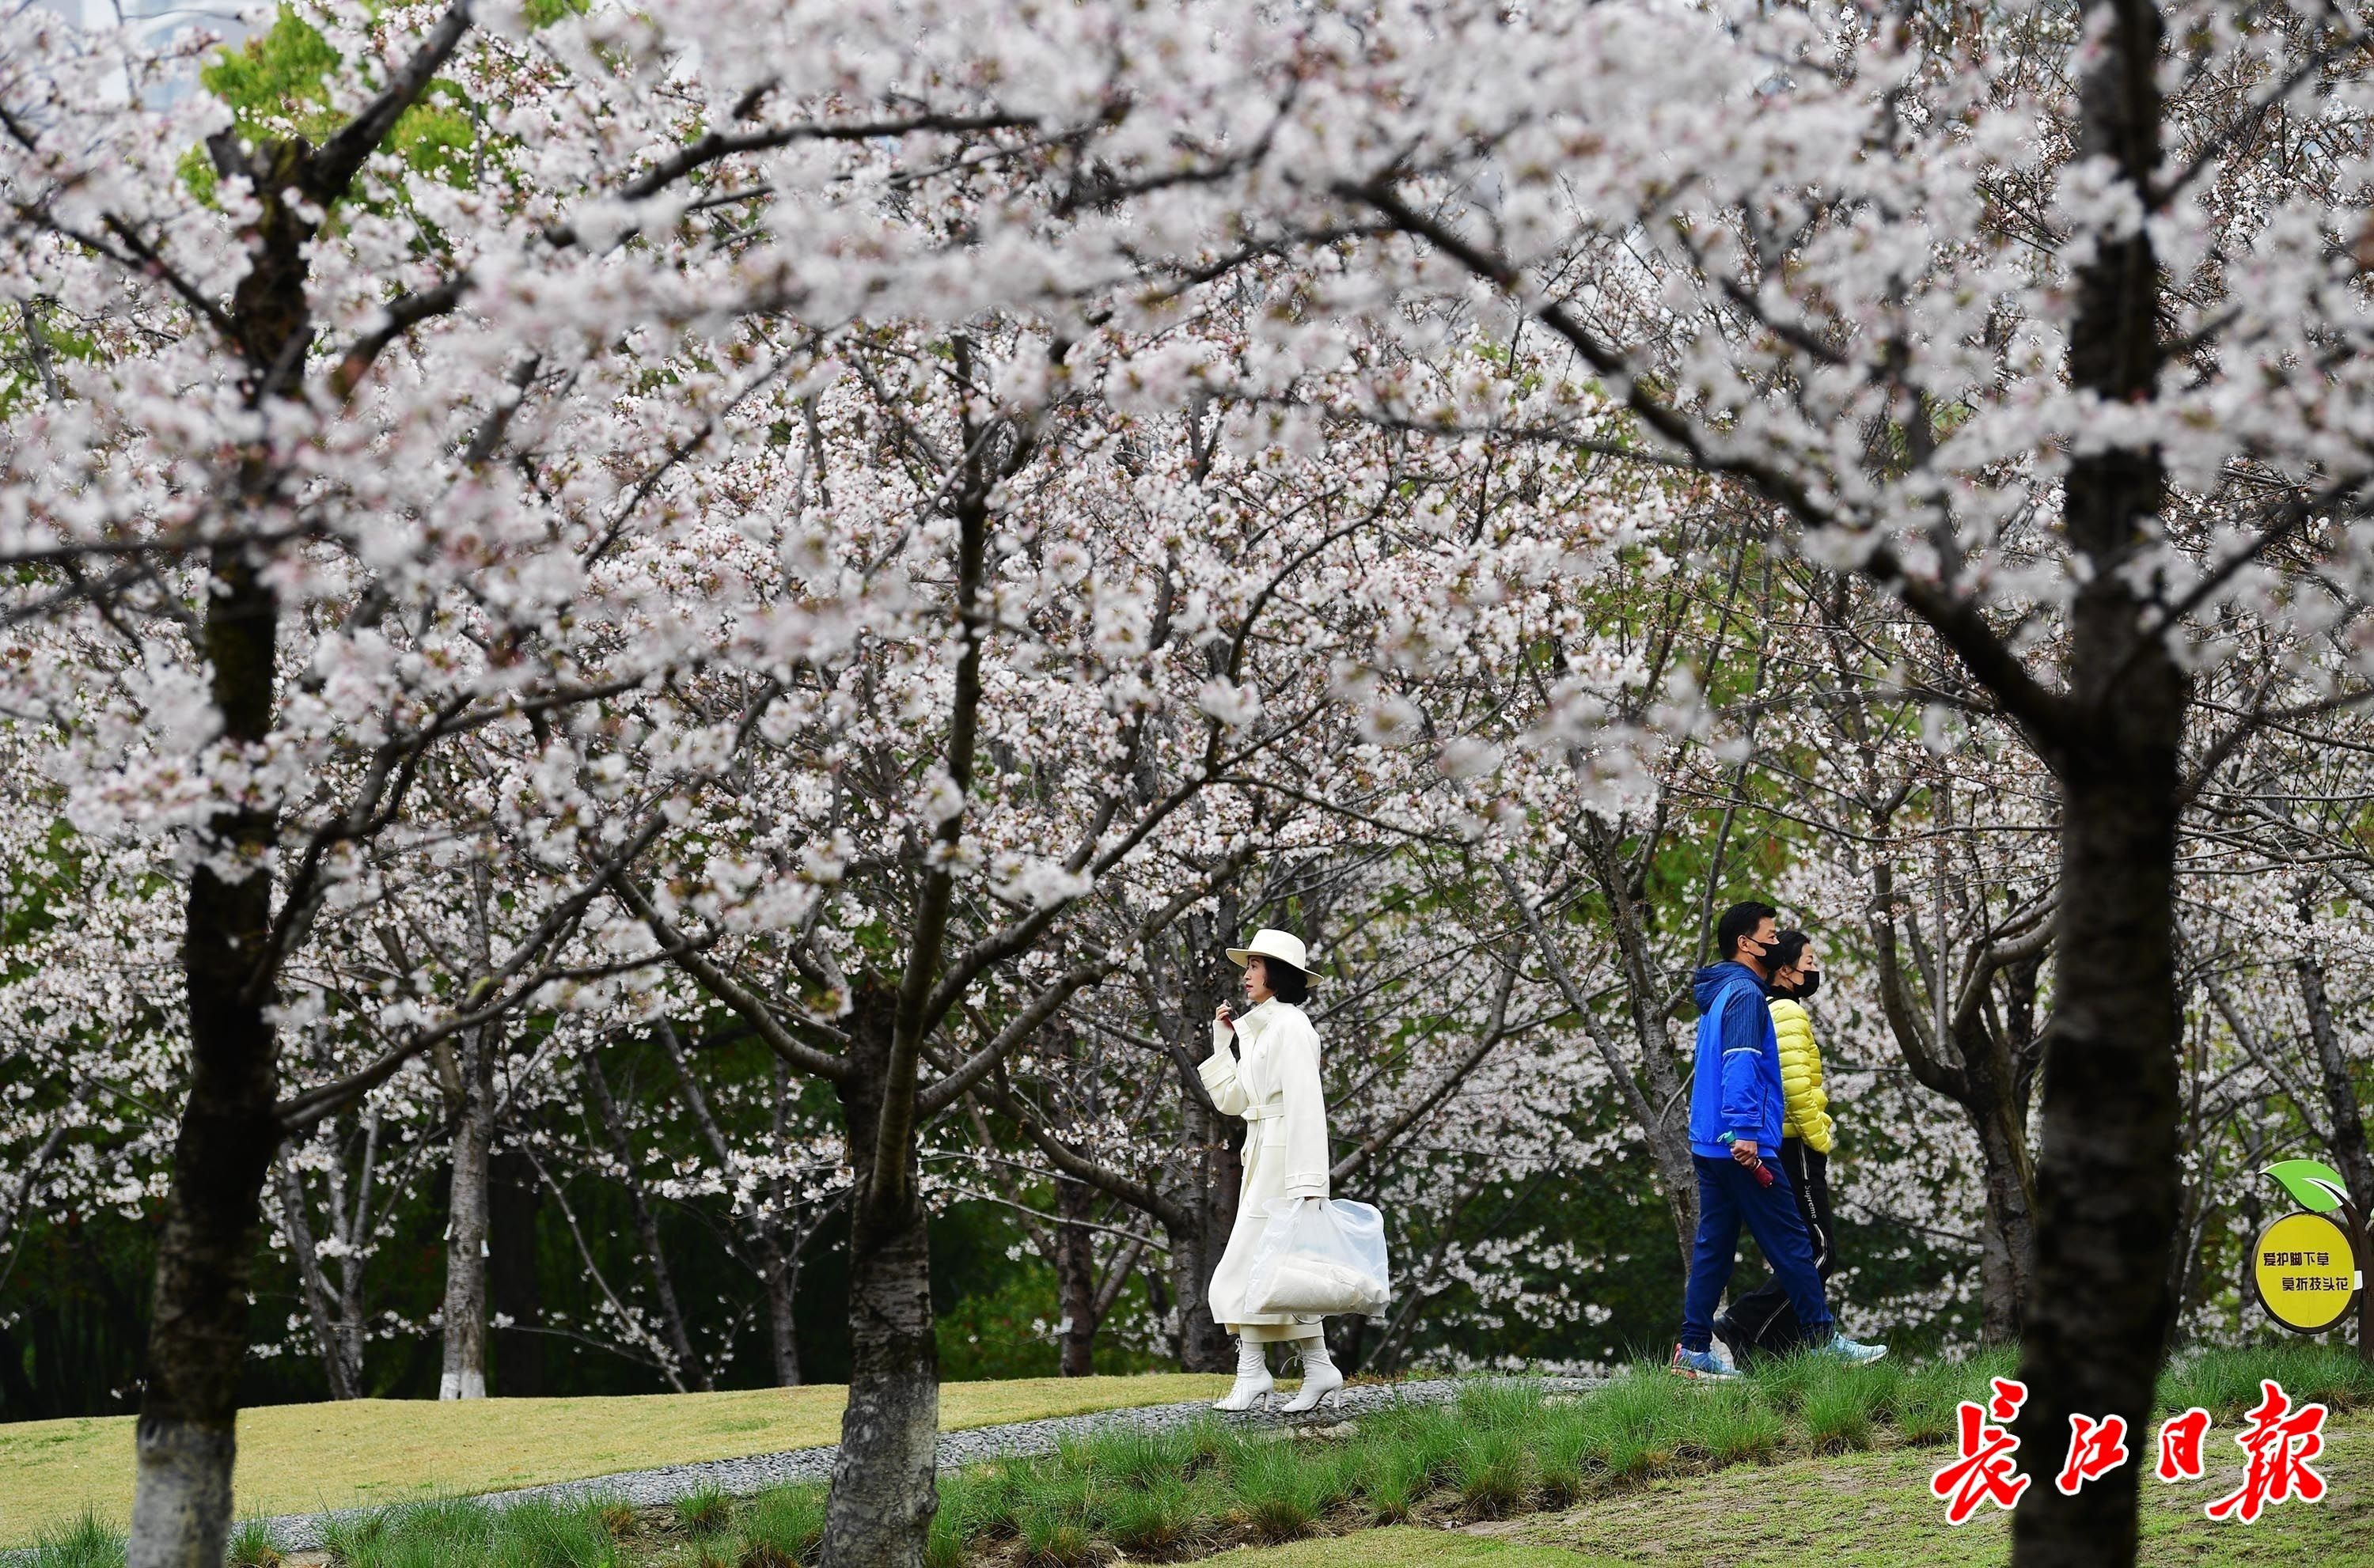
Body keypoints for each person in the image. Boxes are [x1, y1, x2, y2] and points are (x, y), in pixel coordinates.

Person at [1671, 901, 1885, 1379]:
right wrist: (1747, 1130)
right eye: (1770, 935)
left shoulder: (1719, 993)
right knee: (1794, 1241)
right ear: (1746, 944)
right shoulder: (1746, 994)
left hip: (1708, 1141)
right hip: (1742, 1142)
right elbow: (1741, 1062)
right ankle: (1821, 1338)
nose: (1776, 942)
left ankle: (1692, 1349)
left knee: (1714, 1246)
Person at [1202, 926, 1344, 1414]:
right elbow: (1236, 1101)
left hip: (1285, 1160)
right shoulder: (1264, 1029)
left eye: (1256, 966)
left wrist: (1308, 1183)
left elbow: (1308, 1106)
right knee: (1274, 1267)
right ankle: (1317, 1365)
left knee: (1251, 1263)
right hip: (1262, 1152)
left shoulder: (1291, 1028)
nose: (1247, 975)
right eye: (1248, 966)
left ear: (1277, 975)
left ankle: (1254, 1373)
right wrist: (1223, 1045)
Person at [1712, 930, 1842, 1366]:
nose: (1814, 968)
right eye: (1807, 961)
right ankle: (1744, 1324)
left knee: (1802, 1247)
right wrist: (1820, 1139)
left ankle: (1769, 1347)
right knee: (1817, 1249)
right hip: (1795, 1142)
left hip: (1782, 1140)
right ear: (1784, 969)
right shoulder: (1786, 1010)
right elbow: (1795, 1087)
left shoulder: (1770, 1007)